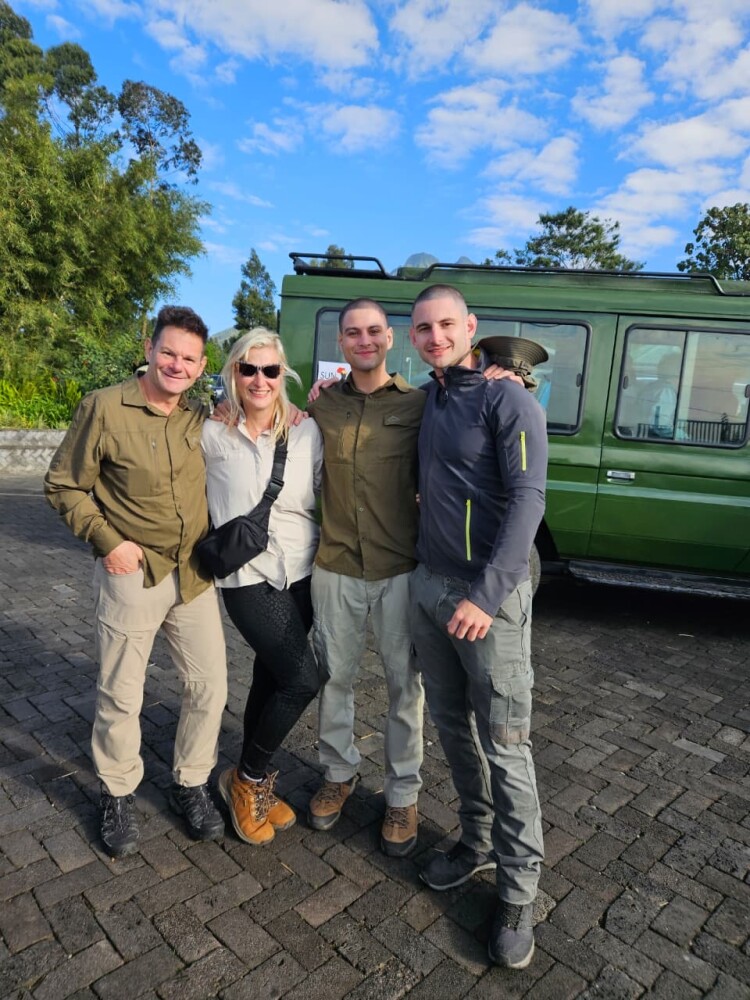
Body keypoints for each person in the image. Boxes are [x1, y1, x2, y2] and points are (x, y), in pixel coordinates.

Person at [44, 306, 227, 858]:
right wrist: (108, 541)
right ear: (149, 349)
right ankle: (117, 791)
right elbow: (63, 486)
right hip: (134, 572)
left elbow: (260, 415)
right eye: (168, 352)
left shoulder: (200, 415)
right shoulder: (103, 407)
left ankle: (190, 782)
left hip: (193, 574)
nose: (177, 365)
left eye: (189, 358)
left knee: (210, 686)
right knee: (121, 692)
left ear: (201, 366)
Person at [407, 285, 548, 970]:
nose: (435, 337)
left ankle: (519, 891)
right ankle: (477, 839)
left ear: (470, 327)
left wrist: (487, 597)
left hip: (486, 602)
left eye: (446, 325)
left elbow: (529, 500)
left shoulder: (509, 400)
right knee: (452, 727)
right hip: (429, 588)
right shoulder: (429, 397)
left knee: (507, 744)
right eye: (423, 328)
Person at [306, 299, 426, 857]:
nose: (364, 340)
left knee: (405, 686)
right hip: (335, 566)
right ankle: (339, 771)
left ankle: (403, 794)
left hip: (400, 567)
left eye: (374, 331)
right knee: (334, 678)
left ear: (391, 338)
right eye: (353, 333)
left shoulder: (420, 404)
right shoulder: (321, 406)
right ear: (341, 344)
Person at [203, 329, 324, 846]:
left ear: (283, 374)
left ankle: (248, 779)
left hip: (302, 568)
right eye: (248, 369)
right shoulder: (210, 433)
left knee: (271, 678)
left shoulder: (306, 431)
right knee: (302, 680)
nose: (259, 379)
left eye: (270, 370)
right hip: (246, 576)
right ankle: (246, 780)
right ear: (233, 372)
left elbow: (324, 489)